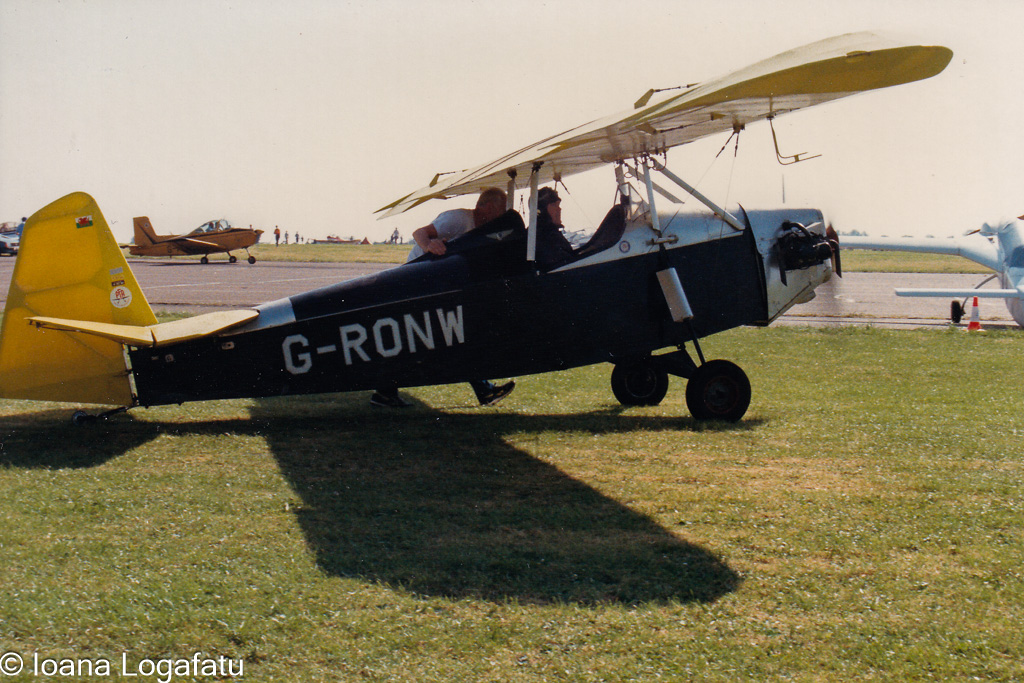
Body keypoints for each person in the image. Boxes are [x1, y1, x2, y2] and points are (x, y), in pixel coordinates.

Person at [371, 187, 515, 408]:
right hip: (418, 281)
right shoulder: (459, 219)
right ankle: (483, 389)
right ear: (486, 207)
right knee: (443, 332)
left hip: (433, 283)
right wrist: (430, 245)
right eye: (499, 210)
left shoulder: (478, 227)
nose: (501, 216)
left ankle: (385, 391)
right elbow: (419, 232)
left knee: (436, 334)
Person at [534, 186, 577, 270]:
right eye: (554, 205)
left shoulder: (550, 233)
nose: (559, 209)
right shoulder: (544, 236)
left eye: (558, 205)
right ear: (542, 210)